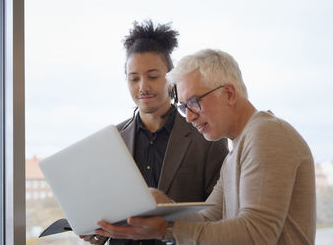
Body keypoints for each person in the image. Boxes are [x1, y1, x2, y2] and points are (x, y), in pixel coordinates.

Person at [95, 49, 316, 244]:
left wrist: (168, 229)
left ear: (229, 93)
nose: (189, 117)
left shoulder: (266, 134)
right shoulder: (237, 150)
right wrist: (165, 209)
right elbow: (208, 218)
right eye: (183, 107)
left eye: (194, 102)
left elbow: (256, 235)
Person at [83, 23, 228, 245]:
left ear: (171, 79)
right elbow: (108, 212)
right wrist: (99, 230)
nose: (143, 87)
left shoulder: (205, 134)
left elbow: (221, 215)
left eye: (152, 76)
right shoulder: (112, 140)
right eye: (134, 79)